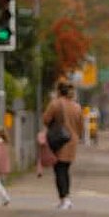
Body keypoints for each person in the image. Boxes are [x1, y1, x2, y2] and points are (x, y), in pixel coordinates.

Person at [43, 81, 85, 209]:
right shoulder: (77, 107)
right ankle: (66, 198)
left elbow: (45, 119)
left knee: (59, 170)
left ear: (59, 91)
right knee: (65, 169)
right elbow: (81, 126)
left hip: (59, 140)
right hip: (72, 141)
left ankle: (64, 198)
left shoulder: (55, 104)